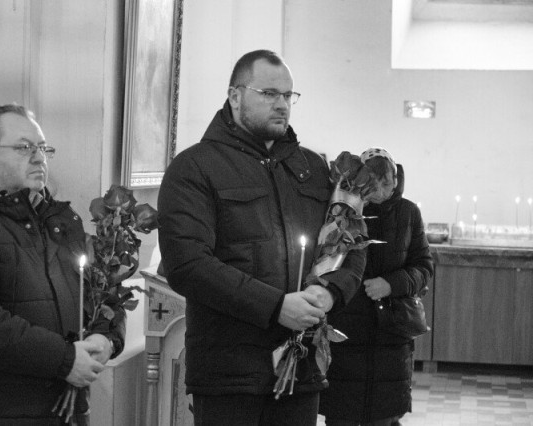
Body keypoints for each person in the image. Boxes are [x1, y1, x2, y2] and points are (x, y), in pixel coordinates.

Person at [157, 49, 365, 426]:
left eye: (288, 95)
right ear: (235, 96)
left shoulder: (313, 168)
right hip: (229, 374)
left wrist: (331, 292)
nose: (282, 104)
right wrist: (275, 306)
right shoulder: (194, 168)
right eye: (269, 94)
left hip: (300, 367)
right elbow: (187, 265)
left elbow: (350, 241)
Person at [0, 104, 125, 425]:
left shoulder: (59, 221)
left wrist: (105, 339)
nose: (39, 158)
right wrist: (65, 359)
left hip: (65, 412)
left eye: (43, 148)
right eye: (24, 148)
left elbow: (103, 293)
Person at [318, 148, 434, 425]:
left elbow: (424, 267)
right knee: (342, 412)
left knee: (385, 415)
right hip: (347, 327)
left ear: (396, 181)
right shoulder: (344, 209)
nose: (381, 191)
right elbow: (325, 258)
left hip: (392, 331)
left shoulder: (408, 213)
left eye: (387, 183)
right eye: (374, 183)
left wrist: (391, 284)